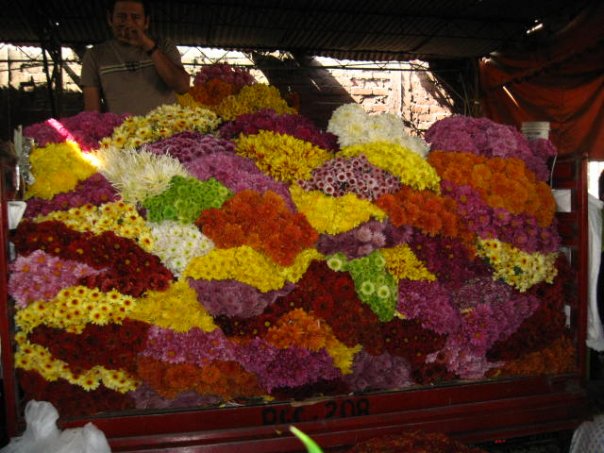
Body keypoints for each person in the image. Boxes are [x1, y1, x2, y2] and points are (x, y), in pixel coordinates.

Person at [80, 0, 190, 115]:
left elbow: (182, 87)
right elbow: (92, 112)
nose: (128, 23)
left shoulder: (164, 46)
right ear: (110, 19)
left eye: (135, 17)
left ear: (146, 22)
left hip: (165, 130)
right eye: (121, 16)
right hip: (120, 132)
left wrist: (147, 45)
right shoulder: (94, 55)